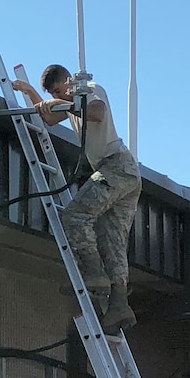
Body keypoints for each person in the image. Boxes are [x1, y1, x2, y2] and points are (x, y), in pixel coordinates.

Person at [11, 63, 141, 331]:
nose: (61, 96)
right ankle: (119, 304)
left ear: (69, 82)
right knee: (111, 236)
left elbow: (96, 112)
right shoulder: (72, 103)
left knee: (74, 215)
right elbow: (49, 118)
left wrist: (64, 103)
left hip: (116, 166)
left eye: (60, 90)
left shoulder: (90, 91)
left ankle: (94, 274)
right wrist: (34, 95)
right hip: (126, 173)